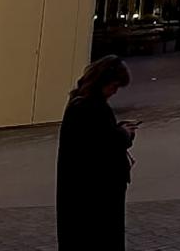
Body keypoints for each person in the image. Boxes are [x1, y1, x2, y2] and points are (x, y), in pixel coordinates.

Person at [57, 55, 135, 251]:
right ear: (104, 81)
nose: (115, 92)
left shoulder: (82, 103)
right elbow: (104, 142)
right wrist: (124, 134)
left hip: (87, 191)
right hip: (95, 192)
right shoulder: (88, 106)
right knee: (101, 236)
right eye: (114, 86)